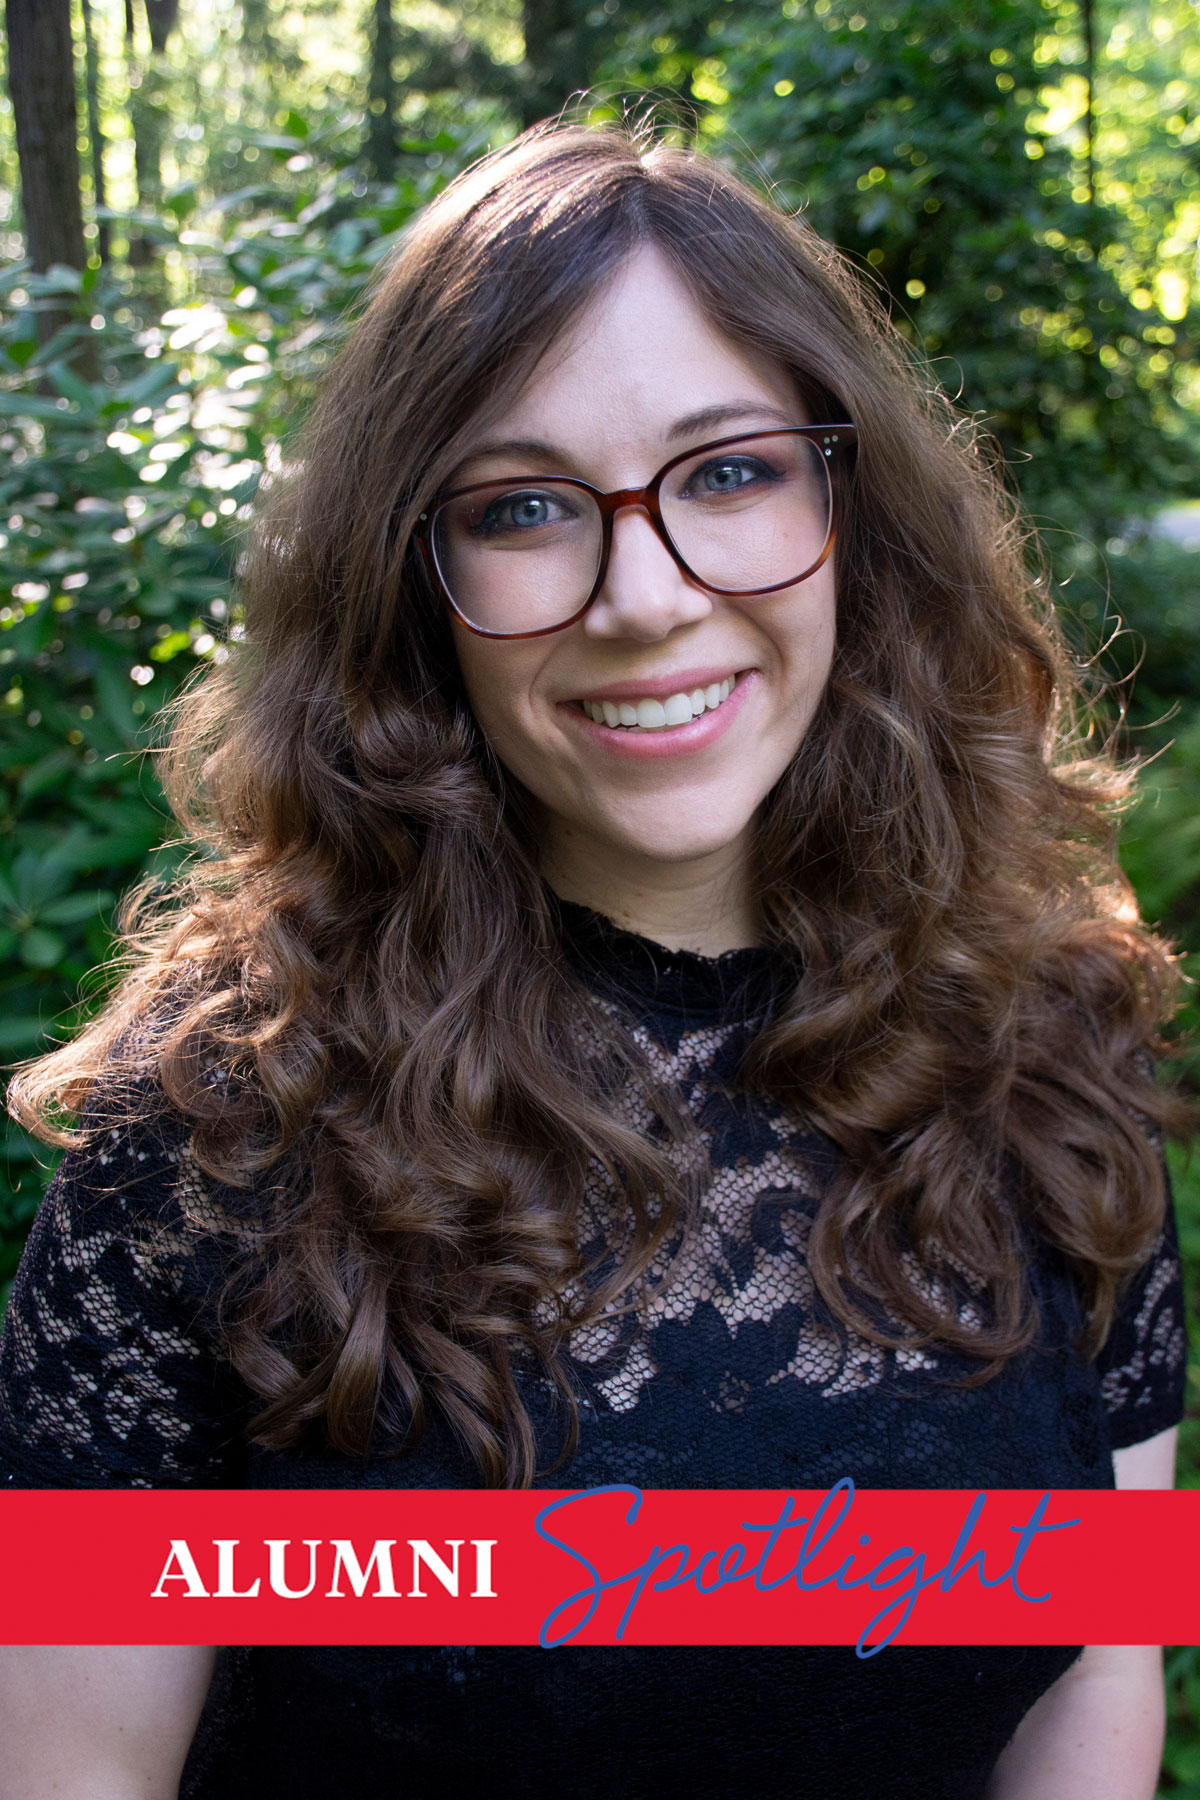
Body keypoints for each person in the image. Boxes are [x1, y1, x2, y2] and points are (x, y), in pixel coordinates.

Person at [0, 115, 1190, 1800]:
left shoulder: (1051, 1058)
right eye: (526, 507)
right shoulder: (214, 1133)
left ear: (852, 508)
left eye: (728, 472)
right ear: (413, 582)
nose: (645, 598)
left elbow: (1095, 1676)